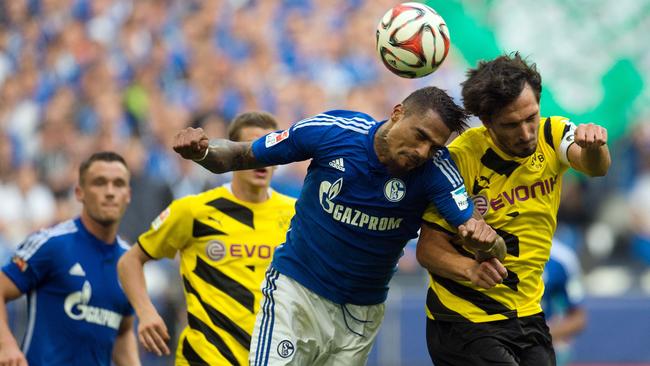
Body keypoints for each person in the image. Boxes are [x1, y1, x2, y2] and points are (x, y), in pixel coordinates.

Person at [173, 86, 504, 365]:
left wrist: (486, 242)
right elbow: (237, 156)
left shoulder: (436, 171)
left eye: (434, 146)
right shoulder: (332, 131)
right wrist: (202, 152)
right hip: (296, 296)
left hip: (360, 316)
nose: (422, 151)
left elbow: (492, 246)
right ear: (398, 112)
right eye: (420, 136)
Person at [416, 52, 610, 366]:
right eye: (511, 124)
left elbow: (596, 167)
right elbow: (427, 249)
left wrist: (595, 147)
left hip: (528, 313)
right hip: (463, 317)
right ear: (487, 122)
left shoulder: (553, 134)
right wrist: (470, 270)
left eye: (531, 117)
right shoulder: (459, 159)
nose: (526, 132)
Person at [117, 112, 297, 365]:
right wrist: (146, 312)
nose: (262, 161)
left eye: (270, 151)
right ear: (233, 156)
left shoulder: (296, 215)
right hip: (204, 359)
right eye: (253, 151)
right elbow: (129, 262)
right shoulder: (194, 211)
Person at [0, 152, 140, 366]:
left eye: (118, 184)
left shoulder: (129, 262)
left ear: (128, 194)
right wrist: (6, 345)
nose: (110, 192)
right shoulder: (51, 244)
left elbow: (123, 332)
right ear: (79, 192)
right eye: (99, 183)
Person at [542, 238, 587, 366]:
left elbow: (579, 318)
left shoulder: (562, 258)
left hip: (538, 344)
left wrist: (541, 336)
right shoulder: (491, 247)